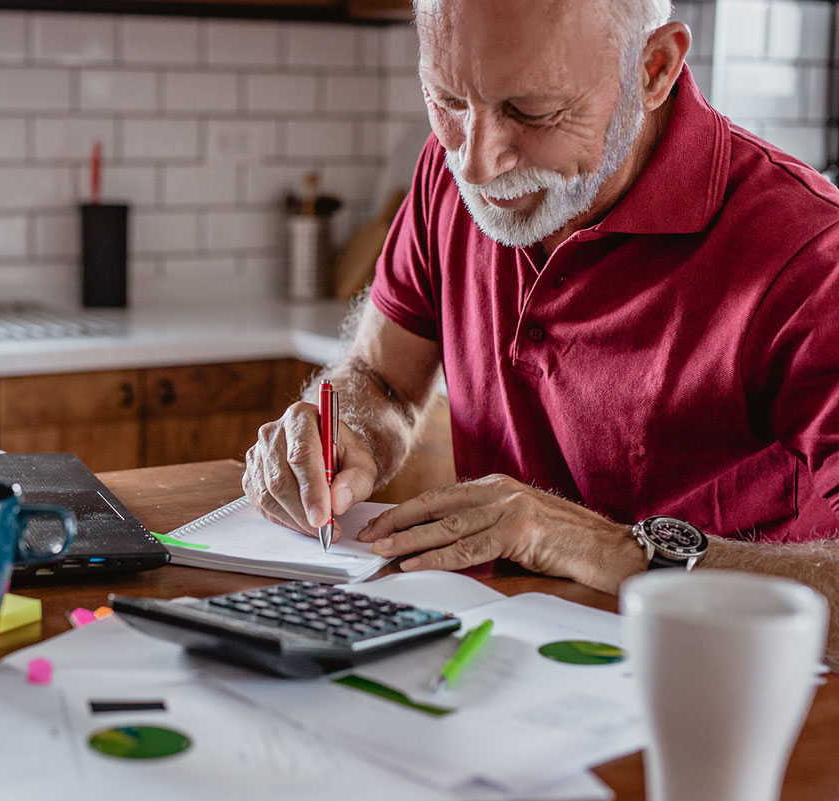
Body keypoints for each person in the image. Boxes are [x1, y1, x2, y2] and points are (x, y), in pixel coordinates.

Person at [243, 0, 839, 666]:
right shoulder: (450, 177)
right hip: (497, 668)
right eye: (446, 100)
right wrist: (344, 434)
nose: (477, 164)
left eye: (532, 113)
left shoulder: (810, 252)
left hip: (725, 692)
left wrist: (607, 548)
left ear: (655, 67)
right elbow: (379, 379)